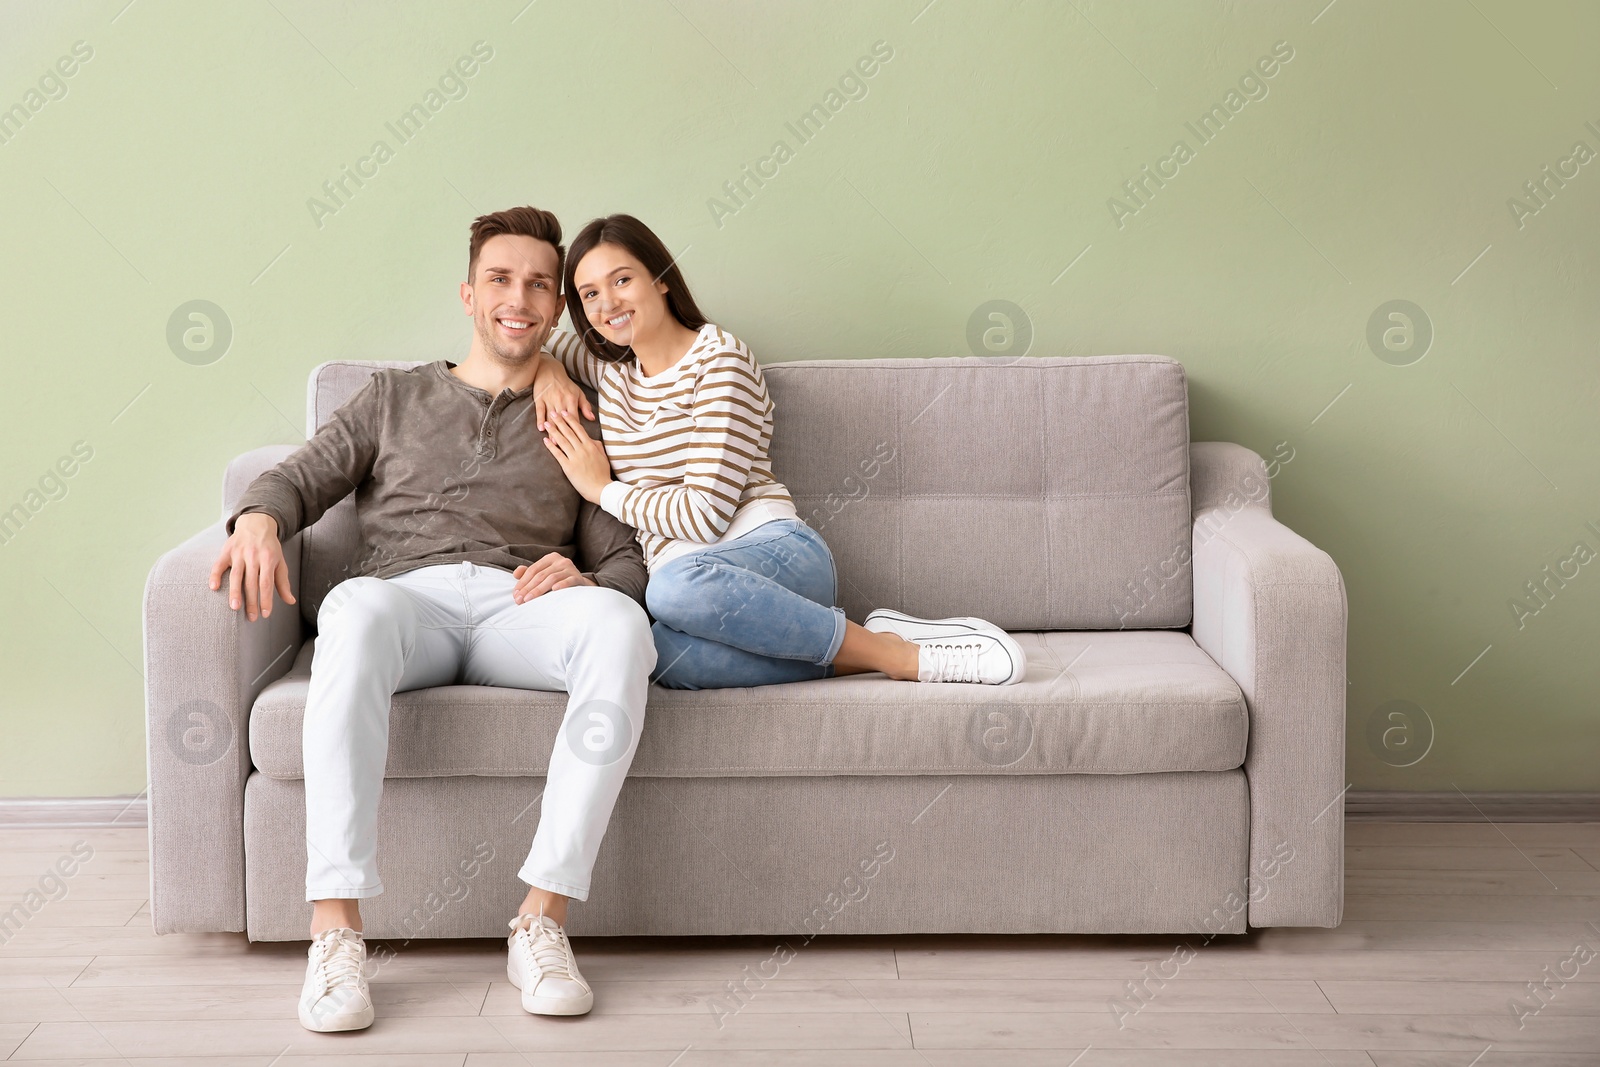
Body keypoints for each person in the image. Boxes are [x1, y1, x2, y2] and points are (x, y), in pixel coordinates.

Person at [212, 206, 650, 1031]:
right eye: (500, 279)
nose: (517, 297)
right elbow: (296, 479)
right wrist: (260, 519)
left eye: (538, 284)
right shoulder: (394, 396)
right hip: (406, 600)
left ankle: (541, 919)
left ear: (556, 308)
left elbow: (626, 557)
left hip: (522, 607)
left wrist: (588, 574)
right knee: (353, 609)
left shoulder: (577, 410)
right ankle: (335, 933)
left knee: (621, 624)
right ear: (469, 293)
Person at [531, 214, 1026, 690]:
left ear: (660, 278)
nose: (606, 304)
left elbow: (705, 517)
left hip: (775, 559)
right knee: (658, 653)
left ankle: (904, 659)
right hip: (703, 599)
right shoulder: (608, 369)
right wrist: (550, 371)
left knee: (670, 590)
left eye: (621, 280)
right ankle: (872, 645)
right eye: (589, 293)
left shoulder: (719, 360)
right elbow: (541, 345)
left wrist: (604, 490)